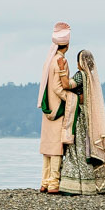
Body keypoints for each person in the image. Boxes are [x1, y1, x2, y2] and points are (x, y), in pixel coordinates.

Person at [54, 49, 105, 194]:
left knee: (77, 148)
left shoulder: (81, 75)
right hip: (88, 115)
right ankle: (101, 183)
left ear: (80, 63)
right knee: (87, 148)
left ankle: (75, 185)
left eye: (77, 61)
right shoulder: (92, 78)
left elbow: (66, 85)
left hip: (79, 115)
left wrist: (61, 69)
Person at [38, 22, 79, 193]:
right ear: (67, 45)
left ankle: (44, 181)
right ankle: (53, 182)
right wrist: (72, 98)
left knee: (47, 146)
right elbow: (57, 87)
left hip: (48, 107)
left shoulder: (49, 60)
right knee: (56, 147)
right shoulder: (61, 60)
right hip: (58, 108)